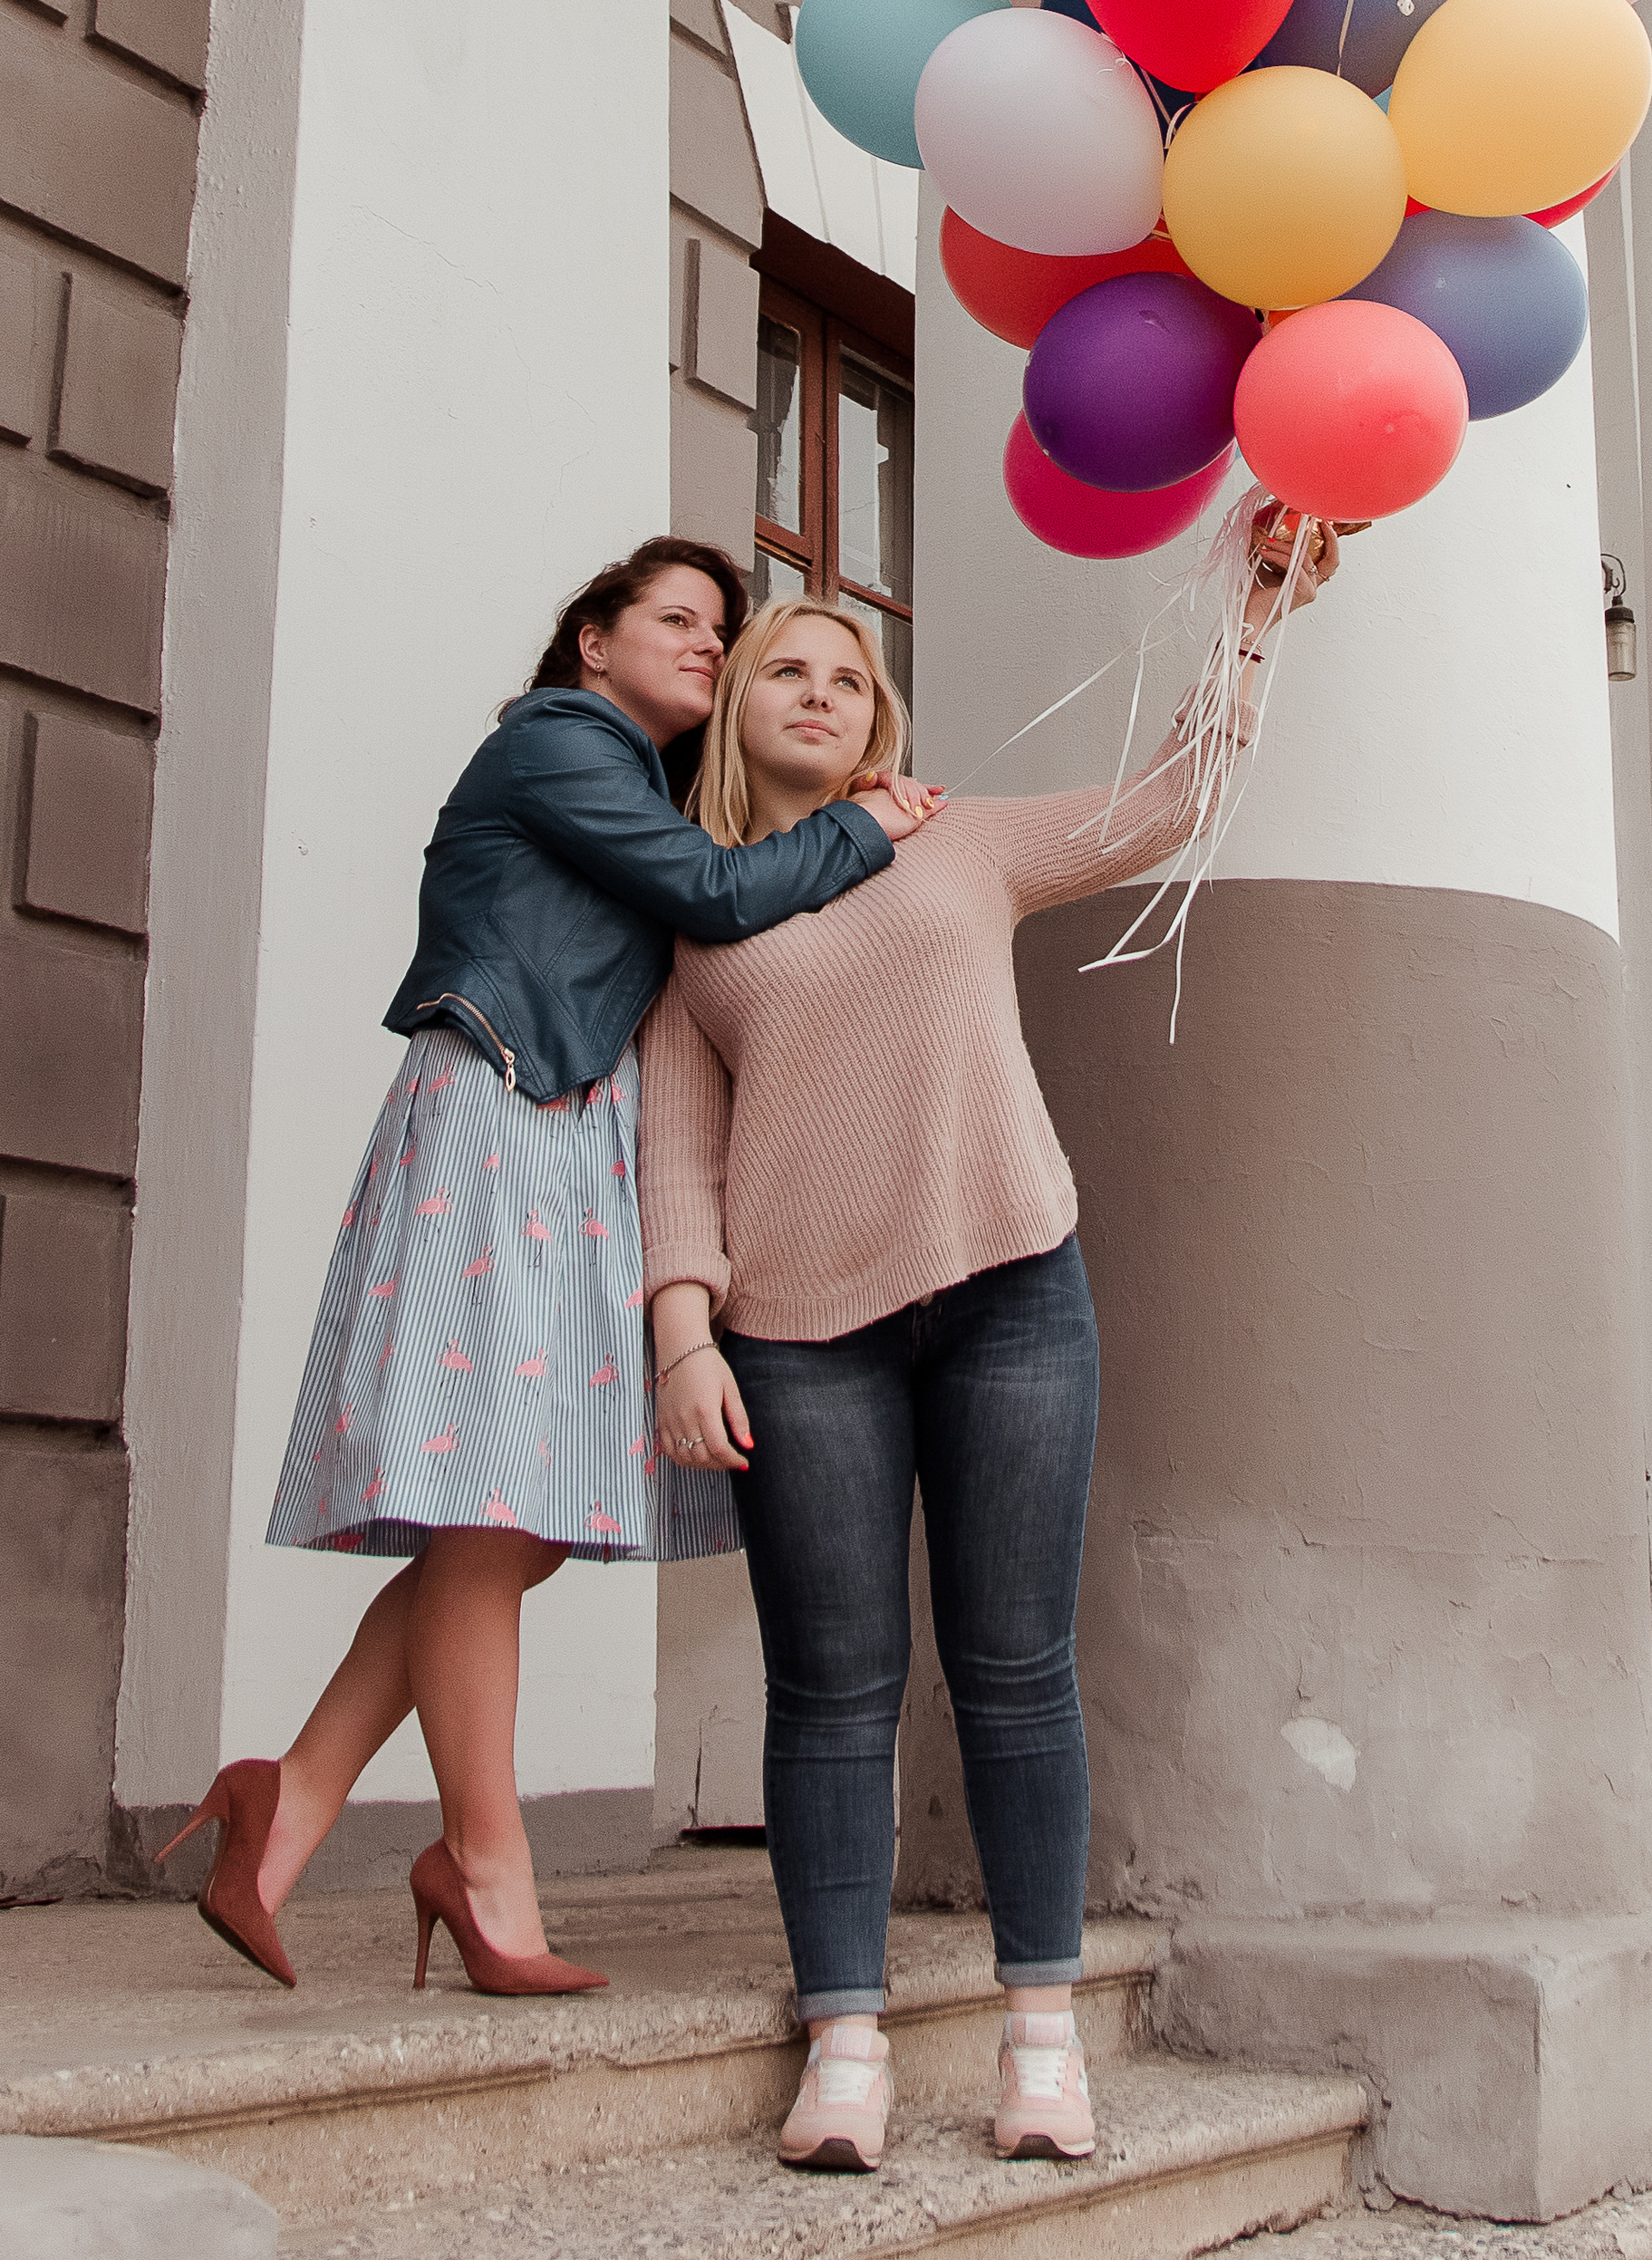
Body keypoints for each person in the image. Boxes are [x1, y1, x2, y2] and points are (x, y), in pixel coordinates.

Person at [640, 513, 1336, 2170]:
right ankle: (849, 2052)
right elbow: (674, 1140)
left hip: (1014, 1289)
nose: (816, 690)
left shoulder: (955, 842)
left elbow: (1174, 797)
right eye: (780, 671)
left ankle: (1042, 2041)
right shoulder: (696, 909)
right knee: (830, 1690)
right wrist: (684, 1338)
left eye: (846, 674)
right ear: (735, 709)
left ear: (879, 718)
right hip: (799, 1334)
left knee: (1017, 1675)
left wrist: (1251, 608)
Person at [159, 537, 935, 2000]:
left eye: (723, 630)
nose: (709, 647)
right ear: (592, 641)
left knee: (512, 1519)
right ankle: (486, 1871)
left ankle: (290, 1804)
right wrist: (867, 825)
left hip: (565, 1133)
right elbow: (710, 893)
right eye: (678, 621)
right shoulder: (562, 741)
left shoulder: (629, 778)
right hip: (502, 1115)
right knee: (489, 1502)